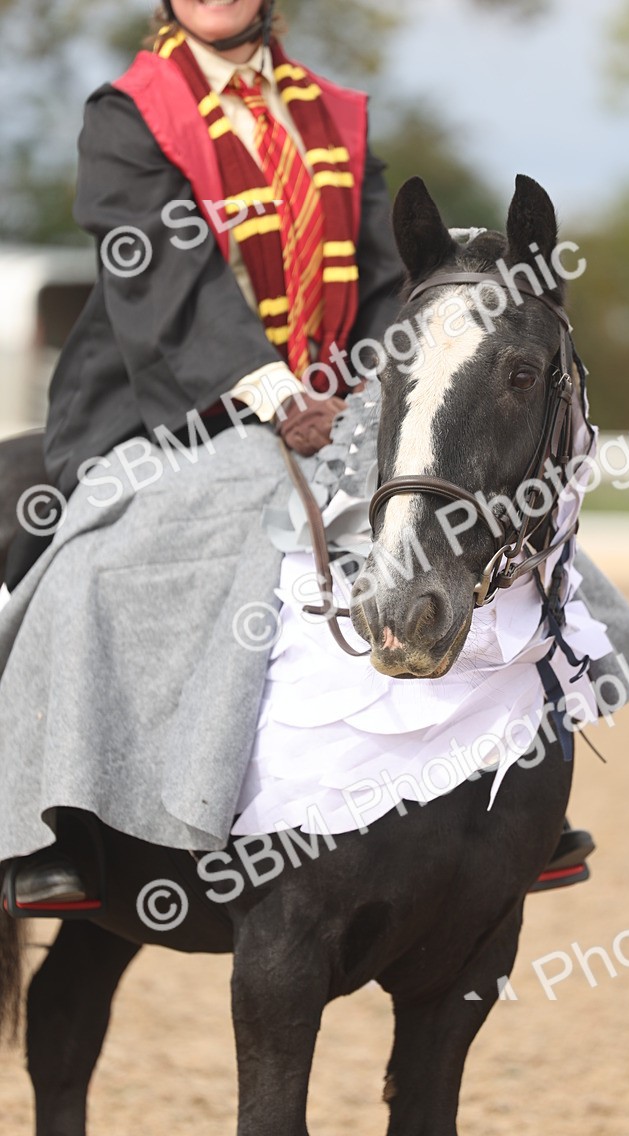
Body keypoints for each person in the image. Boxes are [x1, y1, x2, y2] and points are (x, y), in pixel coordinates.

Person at [2, 0, 595, 908]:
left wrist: (401, 360)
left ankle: (520, 801)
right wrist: (270, 389)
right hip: (166, 405)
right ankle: (59, 829)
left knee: (494, 517)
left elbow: (385, 270)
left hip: (329, 399)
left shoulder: (329, 112)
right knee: (91, 574)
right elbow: (166, 276)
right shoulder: (126, 115)